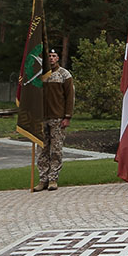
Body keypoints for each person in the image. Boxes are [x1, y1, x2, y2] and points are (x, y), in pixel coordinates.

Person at [34, 48, 74, 192]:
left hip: (57, 117)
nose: (51, 58)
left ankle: (53, 178)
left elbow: (70, 97)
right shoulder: (40, 75)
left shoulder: (64, 75)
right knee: (42, 150)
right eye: (49, 56)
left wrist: (67, 116)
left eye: (53, 56)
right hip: (42, 117)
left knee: (56, 149)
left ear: (58, 58)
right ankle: (42, 179)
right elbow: (32, 94)